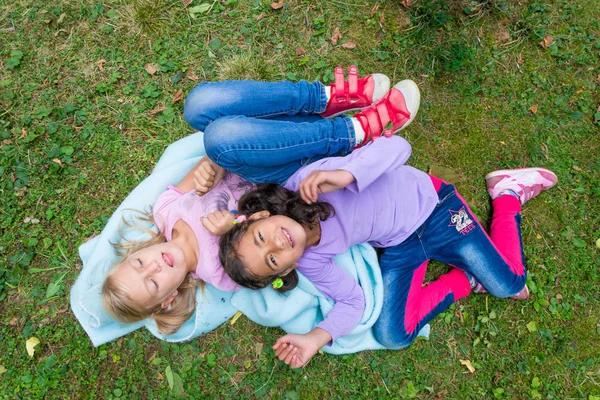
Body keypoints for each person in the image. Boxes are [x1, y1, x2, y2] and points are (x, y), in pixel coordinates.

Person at [102, 67, 421, 335]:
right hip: (289, 174)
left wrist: (210, 166)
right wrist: (232, 222)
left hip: (266, 143)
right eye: (154, 282)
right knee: (220, 140)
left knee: (199, 106)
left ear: (136, 253)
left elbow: (206, 163)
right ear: (168, 298)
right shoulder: (218, 274)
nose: (154, 266)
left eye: (140, 264)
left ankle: (325, 99)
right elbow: (265, 251)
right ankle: (355, 131)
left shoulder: (164, 212)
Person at [218, 132, 557, 368]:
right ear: (285, 271)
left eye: (262, 237)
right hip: (402, 245)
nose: (277, 244)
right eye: (272, 259)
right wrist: (316, 338)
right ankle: (467, 279)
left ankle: (507, 193)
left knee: (512, 285)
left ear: (262, 216)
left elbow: (398, 147)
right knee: (393, 334)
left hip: (435, 207)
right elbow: (353, 302)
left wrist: (345, 174)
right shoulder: (311, 262)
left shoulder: (308, 184)